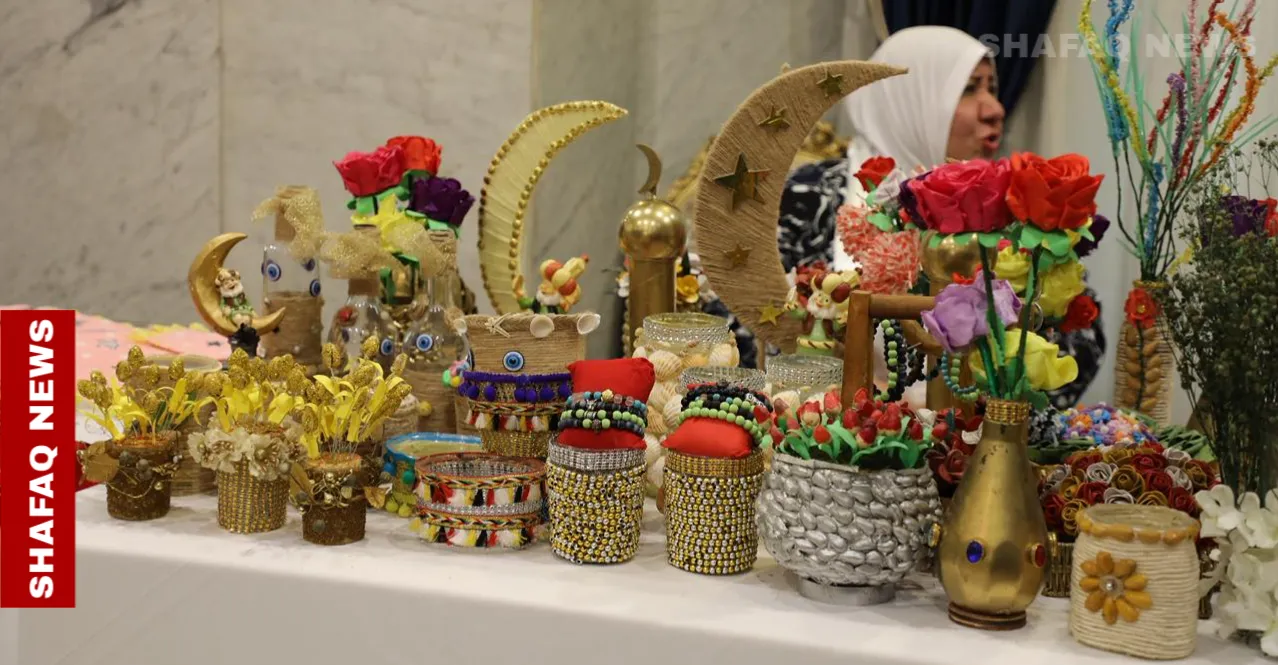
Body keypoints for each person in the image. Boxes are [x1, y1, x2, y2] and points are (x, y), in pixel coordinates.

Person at [758, 26, 1104, 408]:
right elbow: (756, 328)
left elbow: (1083, 345)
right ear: (908, 100)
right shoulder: (811, 195)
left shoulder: (1012, 207)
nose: (994, 109)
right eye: (969, 89)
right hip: (831, 425)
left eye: (991, 87)